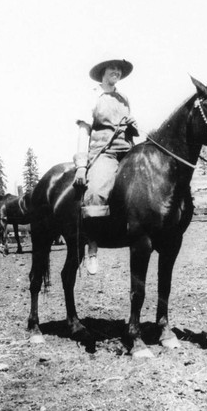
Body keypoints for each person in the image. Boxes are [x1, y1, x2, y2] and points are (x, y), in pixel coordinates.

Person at [73, 58, 139, 274]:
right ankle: (91, 249)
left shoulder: (124, 98)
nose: (117, 72)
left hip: (127, 151)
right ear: (103, 72)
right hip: (104, 152)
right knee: (96, 191)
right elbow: (84, 130)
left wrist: (132, 127)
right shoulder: (92, 95)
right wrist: (81, 165)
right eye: (113, 68)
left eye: (119, 69)